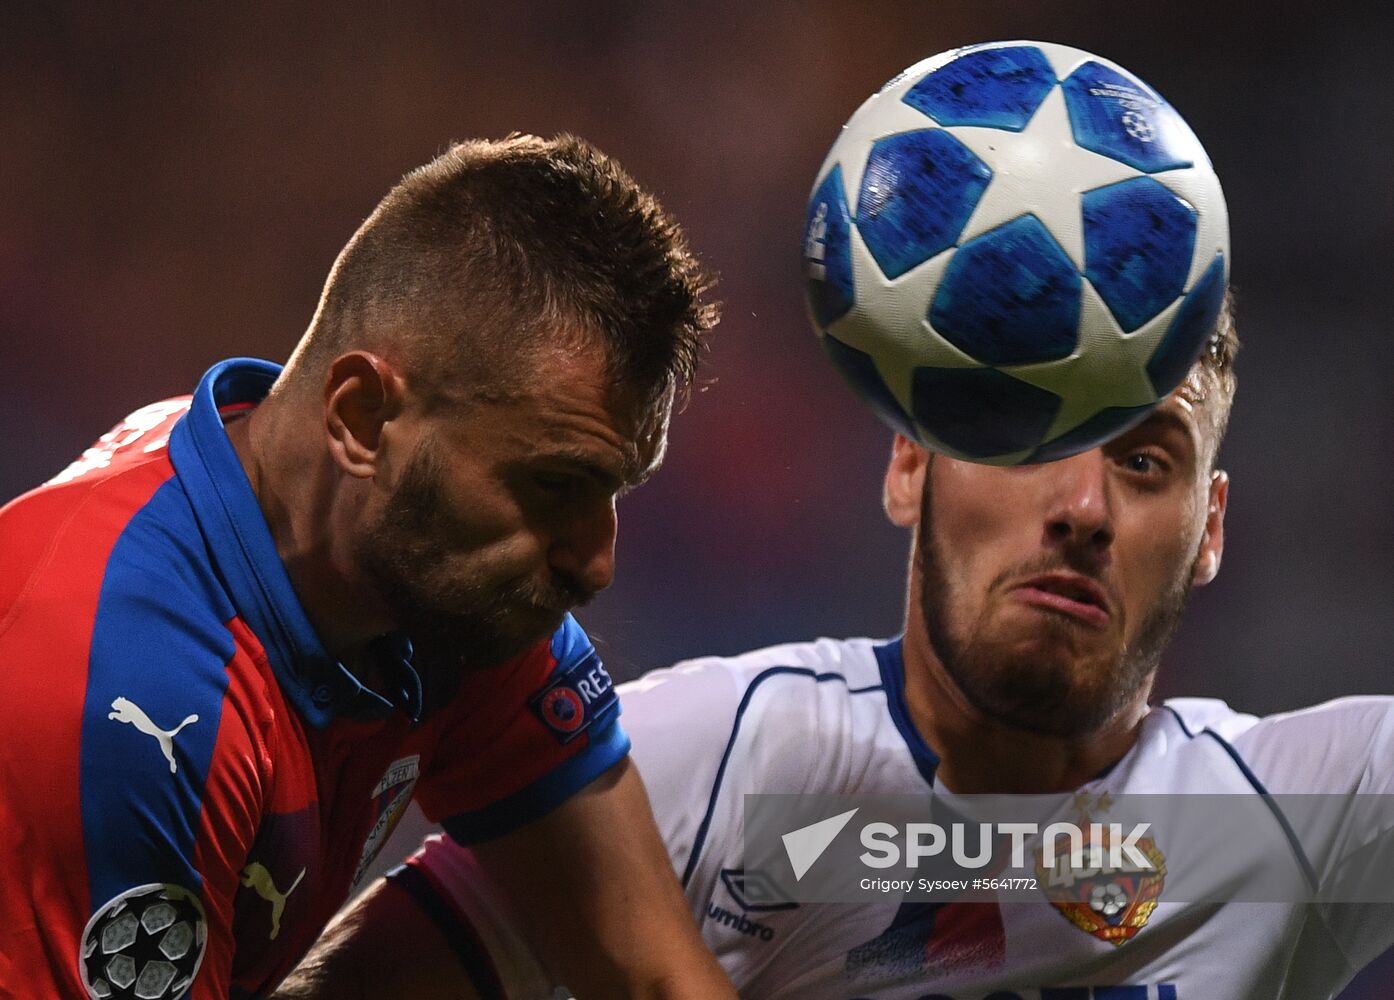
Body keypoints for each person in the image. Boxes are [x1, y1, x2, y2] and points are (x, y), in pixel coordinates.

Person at [275, 300, 1394, 1000]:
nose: (1082, 505)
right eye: (1024, 433)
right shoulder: (715, 761)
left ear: (1207, 530)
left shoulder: (1284, 817)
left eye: (1144, 461)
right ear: (910, 463)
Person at [0, 134, 740, 999]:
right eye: (555, 484)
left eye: (614, 490)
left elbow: (654, 977)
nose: (598, 561)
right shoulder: (123, 704)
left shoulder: (437, 584)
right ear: (360, 418)